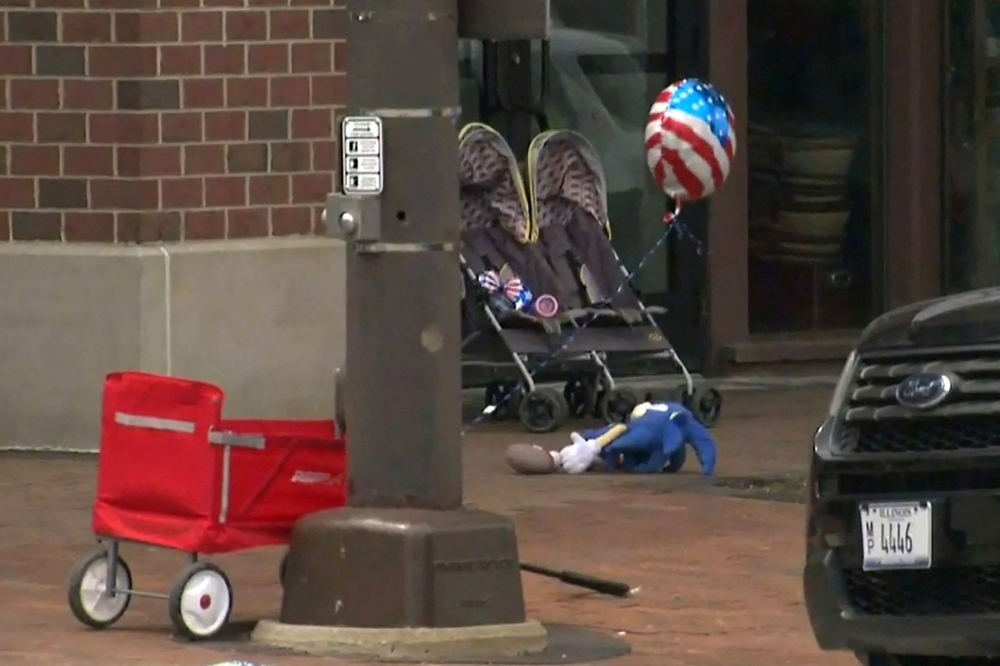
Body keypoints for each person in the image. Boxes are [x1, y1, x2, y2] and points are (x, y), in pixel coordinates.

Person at [556, 401, 717, 475]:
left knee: (644, 447)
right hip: (664, 424)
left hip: (654, 429)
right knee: (657, 447)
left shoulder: (639, 427)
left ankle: (611, 455)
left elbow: (665, 451)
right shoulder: (640, 425)